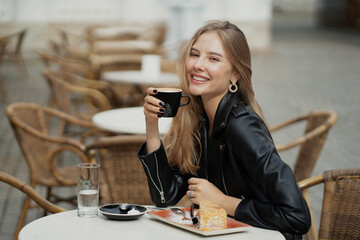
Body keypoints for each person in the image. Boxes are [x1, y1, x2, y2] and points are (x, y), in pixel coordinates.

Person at [138, 20, 311, 240]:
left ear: (234, 75)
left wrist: (222, 202)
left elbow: (297, 216)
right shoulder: (197, 119)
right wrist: (151, 126)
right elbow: (165, 198)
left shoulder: (242, 126)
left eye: (213, 58)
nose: (198, 65)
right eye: (194, 54)